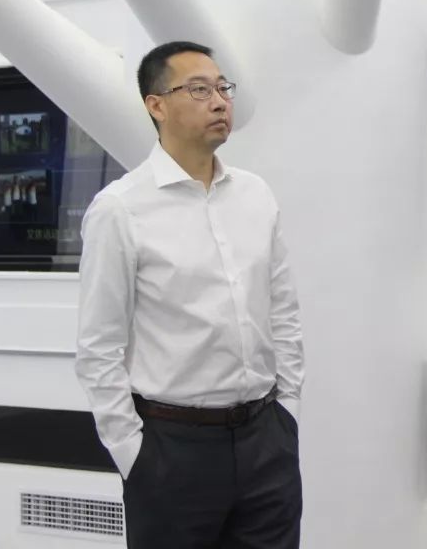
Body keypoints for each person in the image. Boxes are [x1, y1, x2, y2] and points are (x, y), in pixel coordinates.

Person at [76, 40, 304, 548]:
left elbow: (283, 311)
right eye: (199, 90)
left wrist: (286, 411)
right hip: (171, 448)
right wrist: (133, 453)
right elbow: (98, 348)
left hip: (266, 440)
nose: (220, 101)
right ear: (156, 105)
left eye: (223, 88)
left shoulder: (255, 195)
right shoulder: (120, 209)